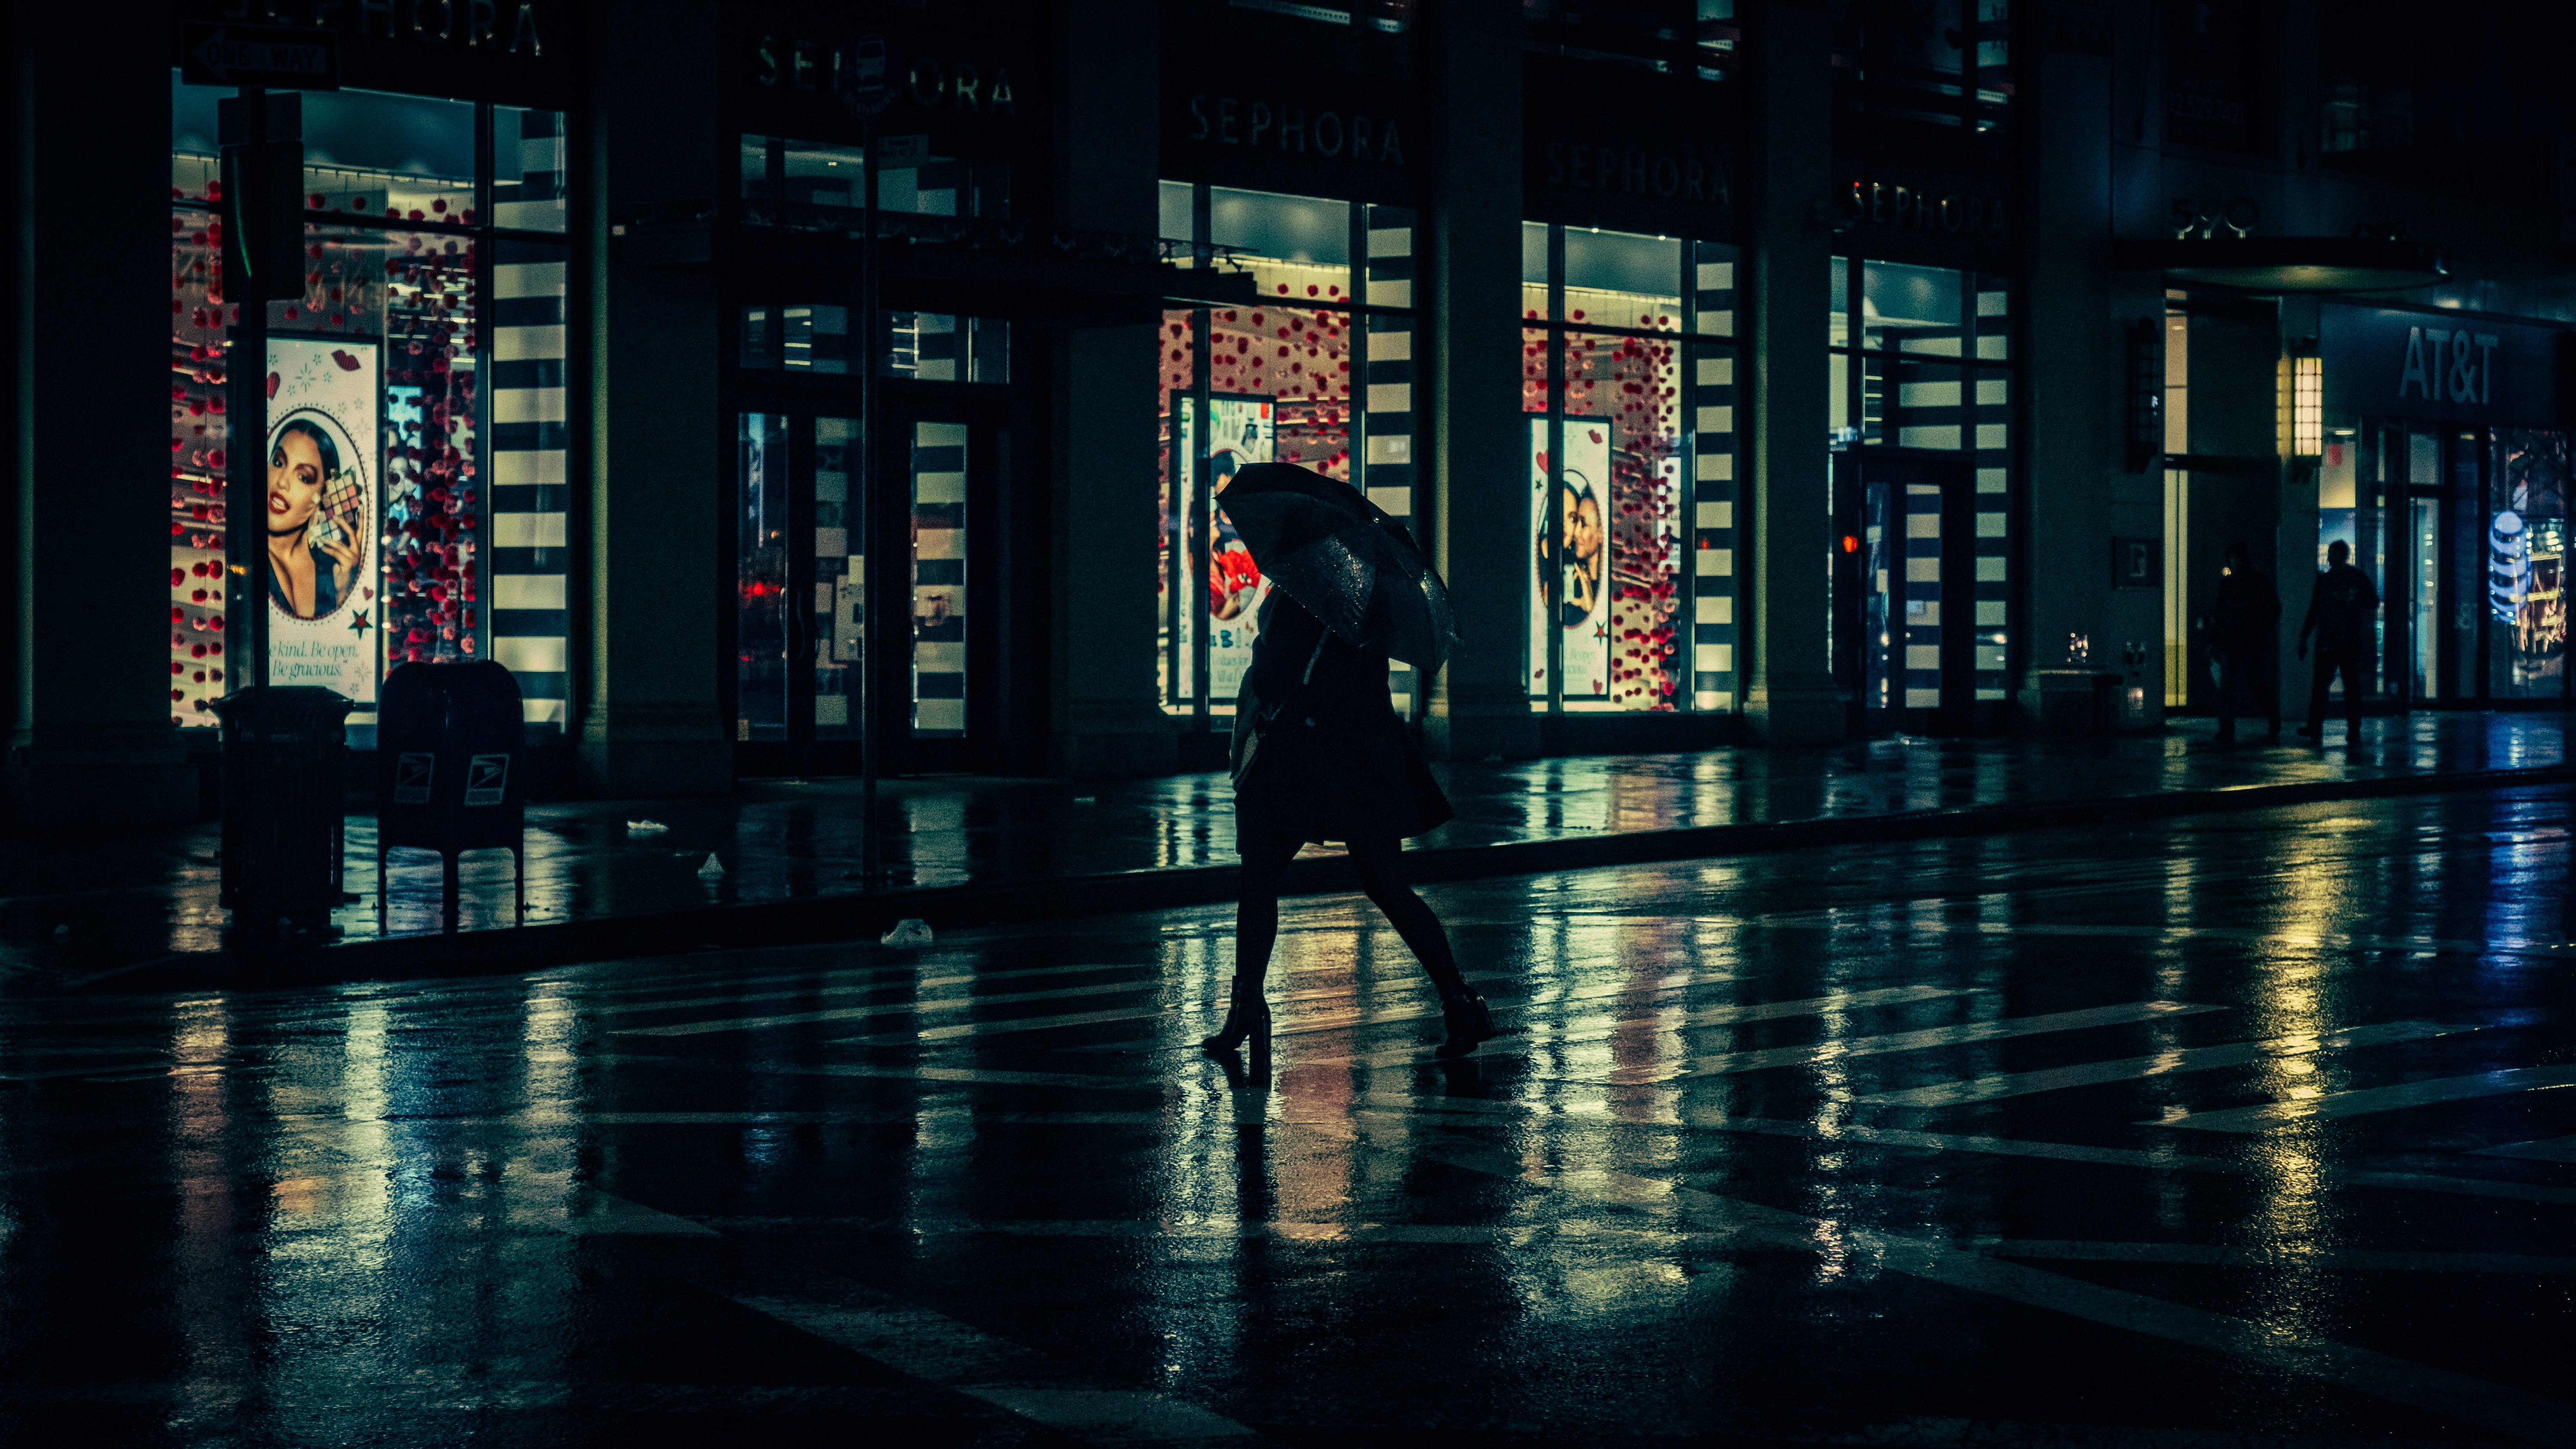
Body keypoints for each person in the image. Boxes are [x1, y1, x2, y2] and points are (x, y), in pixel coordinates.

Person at [1203, 588, 1497, 1059]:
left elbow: (1272, 677)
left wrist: (1263, 640)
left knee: (1259, 878)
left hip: (1304, 758)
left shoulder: (1302, 595)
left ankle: (1248, 1008)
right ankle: (1459, 1001)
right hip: (1368, 759)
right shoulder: (1370, 600)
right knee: (1388, 884)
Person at [267, 418, 362, 620]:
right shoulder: (245, 555)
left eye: (304, 477)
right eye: (278, 462)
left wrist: (345, 589)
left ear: (321, 496)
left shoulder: (332, 568)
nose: (282, 482)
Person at [2298, 539, 2380, 744]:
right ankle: (2350, 729)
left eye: (2333, 554)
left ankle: (2319, 726)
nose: (2330, 558)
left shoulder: (2328, 580)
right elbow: (2372, 601)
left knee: (2328, 685)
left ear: (2341, 556)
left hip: (2336, 640)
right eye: (2330, 555)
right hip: (2345, 640)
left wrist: (2305, 636)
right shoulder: (2354, 577)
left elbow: (2315, 611)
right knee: (2347, 686)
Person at [2210, 541, 2280, 743]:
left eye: (2236, 558)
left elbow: (2221, 615)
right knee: (2244, 684)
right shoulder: (2256, 581)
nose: (2234, 562)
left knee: (2240, 684)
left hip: (2241, 641)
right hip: (2243, 641)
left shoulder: (2233, 583)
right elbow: (2221, 614)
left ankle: (2228, 728)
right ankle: (2267, 718)